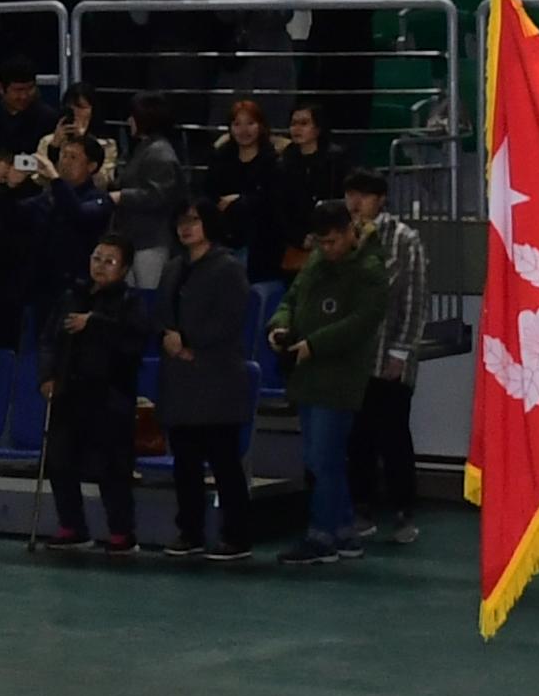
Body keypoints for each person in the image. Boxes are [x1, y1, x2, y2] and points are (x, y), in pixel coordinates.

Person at [269, 205, 385, 566]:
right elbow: (292, 297)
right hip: (308, 375)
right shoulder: (316, 261)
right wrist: (280, 325)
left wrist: (315, 344)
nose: (328, 249)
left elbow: (360, 323)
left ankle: (322, 535)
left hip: (338, 378)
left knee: (324, 459)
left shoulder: (369, 271)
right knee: (324, 458)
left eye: (333, 241)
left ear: (350, 232)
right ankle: (345, 530)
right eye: (322, 242)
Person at [154, 200, 255, 561]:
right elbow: (161, 313)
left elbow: (230, 319)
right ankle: (190, 531)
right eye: (181, 221)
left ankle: (237, 535)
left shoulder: (228, 268)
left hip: (217, 379)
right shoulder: (173, 268)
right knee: (185, 463)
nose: (186, 228)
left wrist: (191, 343)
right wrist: (169, 338)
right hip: (180, 380)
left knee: (225, 463)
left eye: (194, 221)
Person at [40, 237, 148, 551]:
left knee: (112, 466)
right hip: (68, 391)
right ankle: (71, 525)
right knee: (59, 460)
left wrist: (95, 323)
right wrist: (46, 376)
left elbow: (134, 342)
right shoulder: (71, 296)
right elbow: (48, 339)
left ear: (125, 268)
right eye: (97, 258)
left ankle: (121, 532)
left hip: (110, 395)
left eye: (109, 261)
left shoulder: (131, 303)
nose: (100, 266)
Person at [345, 167, 427, 546]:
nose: (355, 203)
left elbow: (413, 300)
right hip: (353, 356)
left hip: (390, 354)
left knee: (393, 436)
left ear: (380, 199)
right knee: (357, 437)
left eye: (363, 195)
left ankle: (403, 510)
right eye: (350, 195)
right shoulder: (343, 235)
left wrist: (401, 351)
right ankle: (361, 507)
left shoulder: (404, 240)